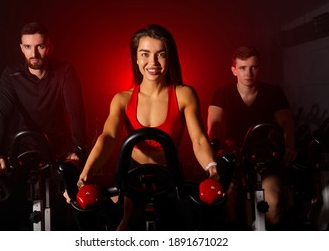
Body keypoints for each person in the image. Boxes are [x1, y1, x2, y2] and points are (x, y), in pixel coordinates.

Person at [72, 24, 219, 230]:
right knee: (124, 225)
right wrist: (84, 176)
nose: (153, 62)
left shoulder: (184, 94)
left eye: (161, 54)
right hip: (131, 174)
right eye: (145, 54)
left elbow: (199, 139)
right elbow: (108, 137)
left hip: (170, 174)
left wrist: (213, 171)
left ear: (170, 58)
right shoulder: (122, 99)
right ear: (136, 59)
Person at [0, 21, 87, 230]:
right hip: (23, 147)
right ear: (21, 48)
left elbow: (76, 113)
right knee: (13, 210)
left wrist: (77, 150)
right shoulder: (11, 74)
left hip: (59, 148)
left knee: (71, 207)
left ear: (49, 47)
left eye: (40, 46)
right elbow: (1, 116)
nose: (34, 53)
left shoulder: (65, 71)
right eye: (28, 47)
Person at [207, 45, 296, 230]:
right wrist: (220, 149)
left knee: (273, 205)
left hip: (265, 158)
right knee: (227, 205)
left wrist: (288, 147)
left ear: (259, 68)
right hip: (233, 157)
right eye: (242, 68)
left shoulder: (274, 92)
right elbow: (213, 126)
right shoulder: (222, 94)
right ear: (234, 70)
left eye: (253, 67)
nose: (248, 73)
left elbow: (286, 124)